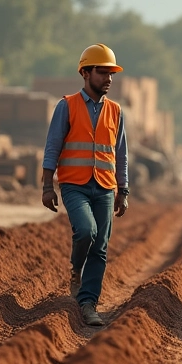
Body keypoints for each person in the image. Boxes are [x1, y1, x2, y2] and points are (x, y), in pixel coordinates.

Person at [41, 43, 129, 326]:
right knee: (86, 231)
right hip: (74, 184)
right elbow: (53, 145)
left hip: (104, 186)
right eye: (102, 73)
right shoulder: (66, 106)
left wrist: (123, 190)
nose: (109, 79)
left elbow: (121, 153)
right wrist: (46, 186)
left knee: (100, 247)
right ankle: (76, 269)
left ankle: (89, 303)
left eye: (111, 74)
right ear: (85, 73)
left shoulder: (116, 111)